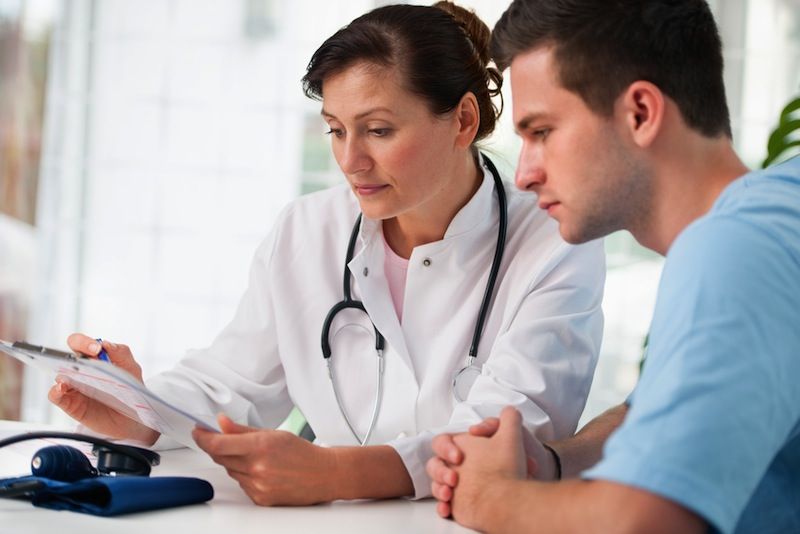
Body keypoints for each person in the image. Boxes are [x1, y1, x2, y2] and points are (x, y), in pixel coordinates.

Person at [48, 2, 606, 506]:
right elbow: (231, 385)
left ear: (463, 120)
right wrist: (137, 410)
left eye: (379, 130)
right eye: (336, 130)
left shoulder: (555, 240)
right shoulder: (306, 231)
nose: (351, 160)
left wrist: (337, 474)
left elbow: (511, 438)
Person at [426, 0, 800, 532]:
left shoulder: (733, 251)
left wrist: (490, 497)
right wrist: (552, 461)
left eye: (542, 132)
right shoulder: (777, 208)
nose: (526, 173)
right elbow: (663, 411)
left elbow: (644, 522)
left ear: (641, 113)